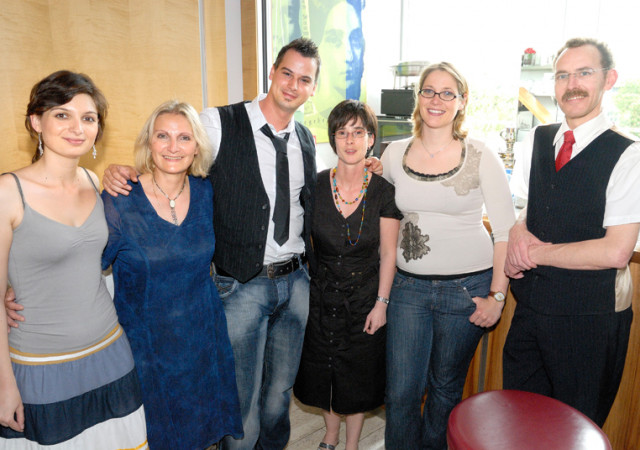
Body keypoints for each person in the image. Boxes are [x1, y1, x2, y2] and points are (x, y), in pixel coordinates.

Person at [0, 70, 147, 447]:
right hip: (41, 368)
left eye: (88, 118)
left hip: (110, 353)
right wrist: (4, 385)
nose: (77, 127)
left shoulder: (94, 182)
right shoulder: (8, 193)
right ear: (36, 121)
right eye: (62, 115)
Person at [504, 37, 640, 427]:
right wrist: (517, 231)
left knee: (575, 430)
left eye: (584, 73)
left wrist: (532, 253)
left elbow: (615, 252)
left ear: (609, 79)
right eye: (562, 75)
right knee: (519, 423)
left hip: (588, 322)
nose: (572, 84)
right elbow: (528, 207)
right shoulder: (539, 139)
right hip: (530, 313)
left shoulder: (629, 154)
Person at [380, 62, 515, 449]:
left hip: (466, 291)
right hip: (408, 290)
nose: (436, 100)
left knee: (444, 391)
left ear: (462, 101)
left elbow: (505, 232)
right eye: (428, 91)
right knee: (401, 394)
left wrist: (497, 296)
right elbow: (379, 214)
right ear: (418, 97)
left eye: (447, 93)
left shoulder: (481, 155)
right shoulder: (393, 153)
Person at [100, 100, 243, 448]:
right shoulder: (120, 199)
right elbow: (85, 264)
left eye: (184, 137)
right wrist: (26, 289)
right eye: (163, 136)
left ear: (197, 147)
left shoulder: (208, 192)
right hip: (146, 347)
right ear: (149, 143)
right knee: (156, 434)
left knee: (202, 429)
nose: (173, 147)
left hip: (203, 336)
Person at [293, 100, 401, 450]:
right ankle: (330, 435)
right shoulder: (315, 187)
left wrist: (381, 304)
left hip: (365, 298)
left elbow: (389, 254)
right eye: (342, 133)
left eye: (358, 132)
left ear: (371, 139)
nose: (350, 140)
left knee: (357, 374)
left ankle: (352, 444)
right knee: (323, 370)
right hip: (321, 297)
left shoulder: (383, 191)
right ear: (333, 139)